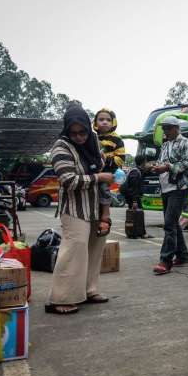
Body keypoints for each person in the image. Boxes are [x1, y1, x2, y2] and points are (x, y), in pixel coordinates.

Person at [46, 102, 114, 314]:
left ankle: (89, 290)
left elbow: (105, 182)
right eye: (73, 133)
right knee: (74, 250)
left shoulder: (94, 142)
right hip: (75, 209)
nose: (79, 137)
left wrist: (106, 214)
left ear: (88, 127)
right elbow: (68, 180)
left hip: (96, 207)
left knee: (94, 250)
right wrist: (98, 176)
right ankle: (61, 297)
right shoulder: (60, 147)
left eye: (82, 131)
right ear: (67, 131)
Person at [152, 116, 188, 274]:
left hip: (179, 187)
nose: (165, 131)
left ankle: (165, 261)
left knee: (169, 224)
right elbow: (161, 162)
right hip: (166, 188)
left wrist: (168, 167)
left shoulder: (185, 142)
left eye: (168, 128)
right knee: (174, 223)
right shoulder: (165, 145)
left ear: (176, 128)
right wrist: (155, 166)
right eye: (164, 128)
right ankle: (183, 257)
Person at [92, 108, 126, 236]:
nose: (104, 122)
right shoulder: (92, 137)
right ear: (95, 123)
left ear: (113, 123)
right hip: (94, 170)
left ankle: (106, 214)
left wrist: (107, 159)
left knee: (102, 187)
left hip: (108, 171)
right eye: (101, 119)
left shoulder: (117, 139)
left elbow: (121, 158)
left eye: (108, 120)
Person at [121, 154, 154, 239]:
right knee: (137, 214)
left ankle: (135, 232)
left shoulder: (138, 170)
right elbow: (133, 189)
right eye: (146, 162)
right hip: (132, 197)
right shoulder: (135, 173)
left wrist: (150, 168)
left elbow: (145, 173)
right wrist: (134, 201)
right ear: (143, 162)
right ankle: (138, 233)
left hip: (132, 196)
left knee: (136, 214)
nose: (147, 163)